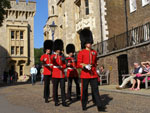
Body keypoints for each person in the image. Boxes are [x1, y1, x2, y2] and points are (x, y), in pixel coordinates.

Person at [77, 29, 103, 111]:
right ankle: (84, 105)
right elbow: (78, 63)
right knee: (84, 90)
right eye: (88, 42)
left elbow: (95, 62)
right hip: (85, 74)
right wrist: (85, 66)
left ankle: (99, 106)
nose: (89, 44)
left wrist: (98, 66)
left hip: (93, 74)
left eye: (90, 42)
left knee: (95, 90)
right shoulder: (81, 52)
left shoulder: (94, 52)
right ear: (85, 43)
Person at [51, 39, 68, 107]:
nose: (59, 50)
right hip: (55, 74)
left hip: (62, 75)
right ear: (55, 49)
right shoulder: (52, 56)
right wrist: (55, 58)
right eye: (58, 49)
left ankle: (64, 101)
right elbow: (52, 61)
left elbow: (64, 64)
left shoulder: (62, 56)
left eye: (59, 49)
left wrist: (63, 66)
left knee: (63, 88)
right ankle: (56, 101)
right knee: (55, 89)